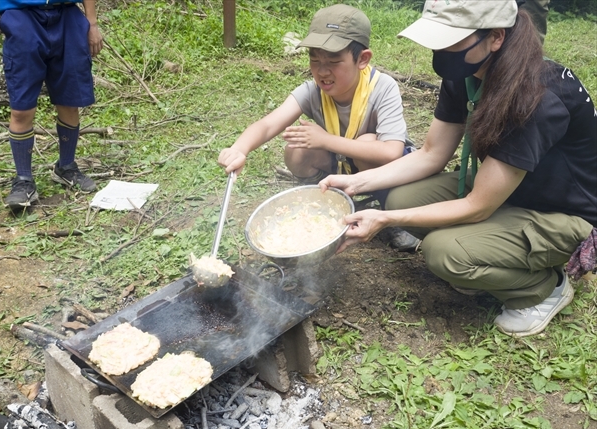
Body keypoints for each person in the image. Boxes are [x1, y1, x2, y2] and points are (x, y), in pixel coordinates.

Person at [319, 0, 597, 337]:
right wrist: (355, 183)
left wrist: (386, 221)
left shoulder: (534, 97)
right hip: (509, 189)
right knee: (401, 198)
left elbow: (477, 206)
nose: (441, 50)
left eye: (452, 40)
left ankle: (543, 288)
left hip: (562, 214)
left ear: (495, 36)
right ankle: (491, 253)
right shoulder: (469, 71)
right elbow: (432, 154)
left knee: (444, 253)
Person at [217, 4, 420, 251]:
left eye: (334, 61)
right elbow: (269, 123)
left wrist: (325, 140)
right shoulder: (312, 91)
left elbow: (391, 152)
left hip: (388, 169)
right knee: (297, 149)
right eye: (315, 60)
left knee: (368, 142)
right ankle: (323, 205)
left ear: (362, 59)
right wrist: (240, 148)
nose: (322, 71)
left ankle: (392, 213)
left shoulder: (382, 87)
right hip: (344, 162)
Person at [0, 0, 103, 211]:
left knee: (70, 101)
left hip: (67, 15)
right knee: (21, 109)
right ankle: (23, 180)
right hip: (21, 15)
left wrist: (91, 23)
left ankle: (66, 166)